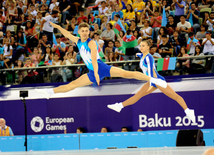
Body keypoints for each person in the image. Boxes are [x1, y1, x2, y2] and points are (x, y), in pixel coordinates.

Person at [35, 22, 167, 99]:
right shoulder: (78, 41)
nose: (85, 33)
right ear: (79, 32)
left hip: (100, 67)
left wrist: (97, 73)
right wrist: (57, 26)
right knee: (73, 85)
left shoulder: (91, 43)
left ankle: (152, 79)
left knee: (127, 74)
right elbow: (67, 34)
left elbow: (93, 58)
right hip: (93, 72)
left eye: (87, 31)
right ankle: (49, 92)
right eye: (83, 31)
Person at [107, 40, 196, 124]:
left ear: (148, 47)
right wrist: (138, 54)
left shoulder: (149, 57)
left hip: (157, 80)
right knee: (137, 95)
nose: (141, 47)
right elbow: (141, 56)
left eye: (143, 46)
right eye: (140, 45)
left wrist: (152, 83)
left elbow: (150, 72)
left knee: (174, 96)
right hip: (152, 80)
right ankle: (120, 106)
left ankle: (188, 110)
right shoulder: (143, 56)